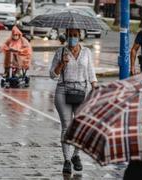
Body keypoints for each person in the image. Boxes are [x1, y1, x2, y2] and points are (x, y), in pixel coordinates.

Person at [49, 28, 97, 174]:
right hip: (63, 91)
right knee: (66, 126)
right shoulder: (60, 52)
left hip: (82, 91)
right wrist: (61, 64)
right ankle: (67, 160)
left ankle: (76, 155)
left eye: (75, 35)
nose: (72, 38)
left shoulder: (87, 52)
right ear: (66, 36)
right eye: (70, 36)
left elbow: (91, 72)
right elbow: (52, 74)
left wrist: (95, 88)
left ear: (80, 36)